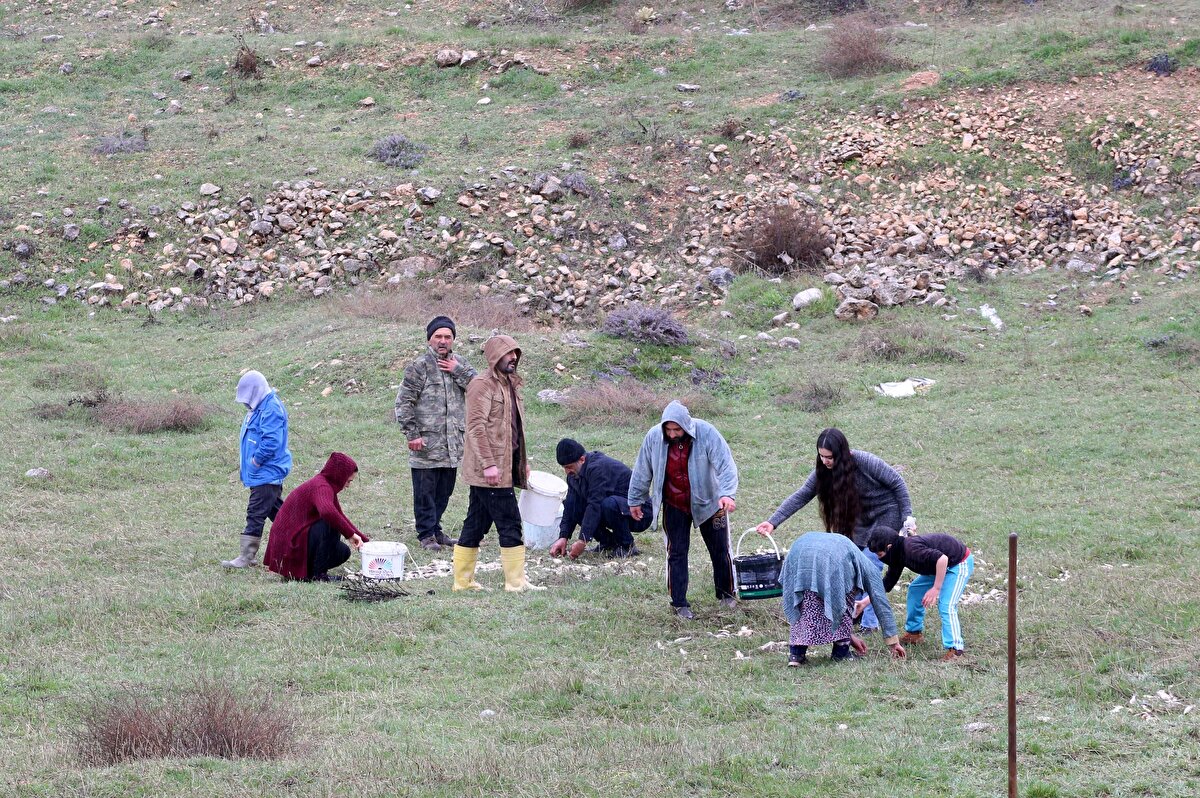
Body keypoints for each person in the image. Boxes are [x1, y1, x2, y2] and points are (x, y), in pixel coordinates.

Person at [755, 428, 915, 634]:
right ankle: (853, 615)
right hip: (859, 521)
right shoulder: (824, 471)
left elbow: (898, 483)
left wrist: (907, 519)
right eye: (821, 456)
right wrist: (773, 522)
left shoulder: (865, 461)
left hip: (886, 516)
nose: (825, 461)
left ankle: (871, 623)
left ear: (842, 453)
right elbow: (802, 494)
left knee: (870, 566)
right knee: (850, 566)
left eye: (829, 457)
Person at [628, 400, 738, 620]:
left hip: (710, 502)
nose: (672, 433)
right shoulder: (653, 437)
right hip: (673, 503)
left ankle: (727, 593)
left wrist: (727, 494)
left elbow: (726, 464)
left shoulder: (706, 432)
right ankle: (679, 603)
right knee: (676, 553)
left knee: (720, 549)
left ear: (686, 426)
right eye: (668, 430)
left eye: (677, 429)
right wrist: (635, 499)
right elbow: (642, 469)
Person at [451, 335, 543, 593]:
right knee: (510, 523)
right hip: (489, 471)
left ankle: (462, 582)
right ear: (494, 357)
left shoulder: (510, 384)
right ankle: (515, 583)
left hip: (503, 467)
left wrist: (522, 462)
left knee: (475, 524)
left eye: (515, 353)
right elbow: (476, 428)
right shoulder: (482, 384)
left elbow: (515, 429)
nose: (513, 357)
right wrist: (490, 464)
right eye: (507, 353)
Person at [395, 315, 478, 553]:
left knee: (445, 490)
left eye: (447, 337)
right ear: (430, 339)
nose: (443, 341)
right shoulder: (419, 367)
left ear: (453, 340)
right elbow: (403, 403)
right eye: (438, 337)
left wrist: (457, 370)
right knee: (425, 492)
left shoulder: (460, 364)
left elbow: (480, 387)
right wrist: (412, 434)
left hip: (453, 443)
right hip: (426, 444)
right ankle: (426, 534)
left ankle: (436, 530)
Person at [778, 530, 906, 666]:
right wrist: (893, 642)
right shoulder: (870, 570)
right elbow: (880, 602)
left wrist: (851, 637)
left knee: (804, 604)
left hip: (800, 549)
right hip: (829, 557)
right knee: (844, 599)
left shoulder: (852, 553)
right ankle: (841, 652)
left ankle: (796, 655)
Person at [865, 527, 975, 661]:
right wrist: (864, 602)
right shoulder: (897, 554)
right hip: (937, 567)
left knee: (947, 605)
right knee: (915, 590)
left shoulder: (911, 549)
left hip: (957, 563)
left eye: (880, 554)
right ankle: (914, 633)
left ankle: (956, 650)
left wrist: (936, 588)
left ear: (889, 547)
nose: (879, 558)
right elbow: (887, 583)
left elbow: (942, 559)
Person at [222, 370, 293, 569]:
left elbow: (271, 441)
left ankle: (247, 557)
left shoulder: (271, 408)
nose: (245, 404)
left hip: (266, 473)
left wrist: (255, 461)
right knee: (279, 514)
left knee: (255, 513)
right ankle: (301, 542)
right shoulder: (260, 406)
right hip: (261, 474)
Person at [262, 452, 368, 582]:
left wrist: (366, 543)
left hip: (295, 542)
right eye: (348, 481)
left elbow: (340, 515)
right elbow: (328, 513)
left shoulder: (327, 486)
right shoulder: (321, 486)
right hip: (288, 546)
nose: (348, 485)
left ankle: (305, 573)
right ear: (340, 476)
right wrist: (350, 534)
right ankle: (318, 575)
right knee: (330, 524)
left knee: (342, 552)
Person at [548, 438, 651, 560]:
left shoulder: (598, 468)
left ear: (582, 459)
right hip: (616, 508)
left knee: (608, 504)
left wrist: (583, 540)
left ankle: (627, 546)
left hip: (640, 512)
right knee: (577, 506)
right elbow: (571, 506)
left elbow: (595, 505)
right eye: (564, 467)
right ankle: (608, 543)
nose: (567, 471)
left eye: (569, 467)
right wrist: (563, 536)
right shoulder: (573, 475)